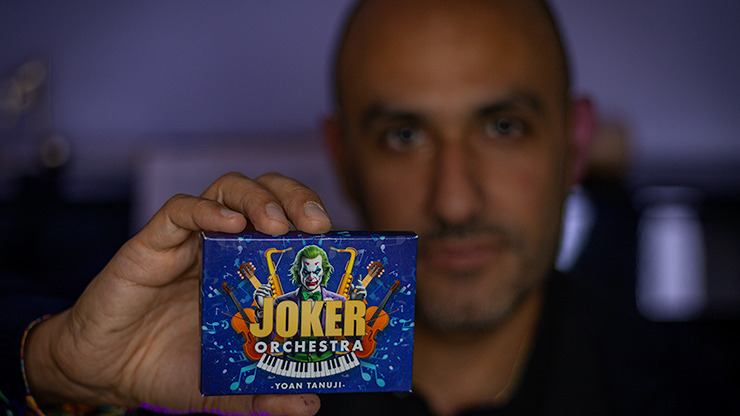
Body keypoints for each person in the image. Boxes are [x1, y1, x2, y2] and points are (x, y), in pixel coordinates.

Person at [1, 0, 734, 415]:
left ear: (574, 145)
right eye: (404, 136)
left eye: (504, 128)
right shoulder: (219, 371)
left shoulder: (700, 393)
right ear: (344, 155)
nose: (454, 201)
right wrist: (57, 363)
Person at [252, 245, 366, 362]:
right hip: (292, 363)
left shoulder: (339, 301)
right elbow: (264, 340)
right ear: (298, 272)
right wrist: (264, 308)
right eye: (306, 272)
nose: (311, 277)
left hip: (327, 363)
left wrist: (355, 306)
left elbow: (354, 338)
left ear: (324, 271)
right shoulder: (282, 302)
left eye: (316, 272)